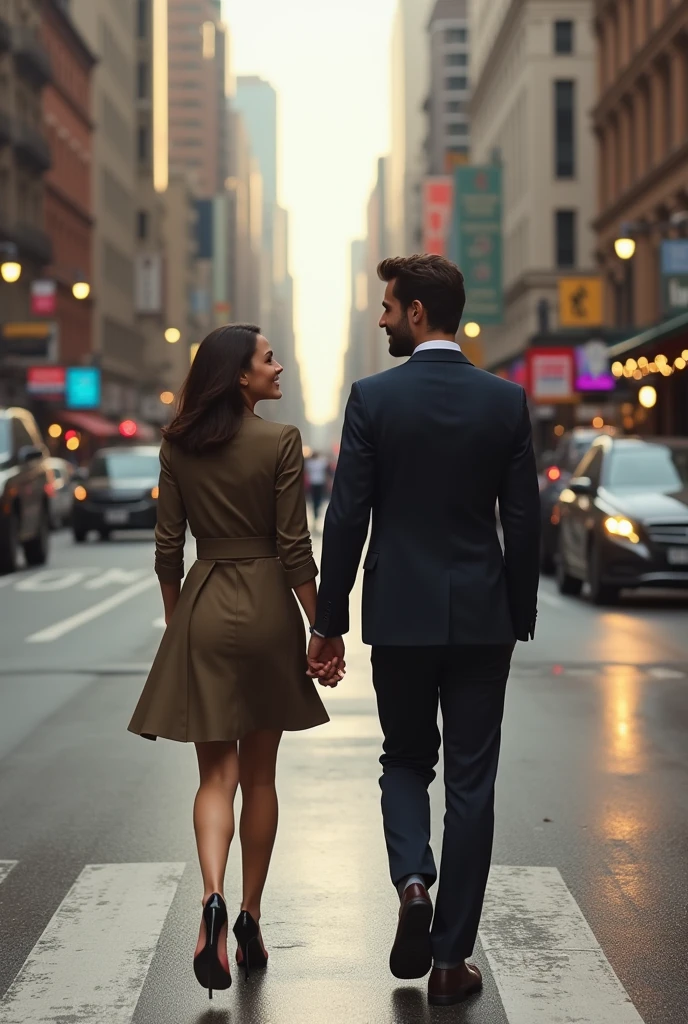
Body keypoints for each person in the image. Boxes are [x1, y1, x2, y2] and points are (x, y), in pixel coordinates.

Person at [308, 255, 540, 1007]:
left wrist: (330, 619)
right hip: (481, 616)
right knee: (473, 782)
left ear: (416, 313)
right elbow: (524, 519)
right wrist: (520, 609)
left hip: (400, 615)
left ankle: (413, 881)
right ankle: (449, 963)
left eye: (386, 307)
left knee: (405, 758)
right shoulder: (506, 401)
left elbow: (346, 516)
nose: (379, 319)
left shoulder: (373, 399)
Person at [128, 324, 343, 999]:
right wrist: (324, 627)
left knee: (214, 775)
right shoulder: (279, 442)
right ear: (238, 377)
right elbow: (293, 547)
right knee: (261, 775)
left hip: (205, 604)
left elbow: (167, 548)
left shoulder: (177, 446)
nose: (277, 367)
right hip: (266, 613)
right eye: (267, 359)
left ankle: (212, 899)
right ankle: (251, 917)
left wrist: (177, 623)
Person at [306, 451, 330, 523]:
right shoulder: (321, 462)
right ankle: (317, 508)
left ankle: (315, 509)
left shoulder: (309, 463)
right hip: (319, 482)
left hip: (313, 483)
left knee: (314, 498)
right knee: (318, 498)